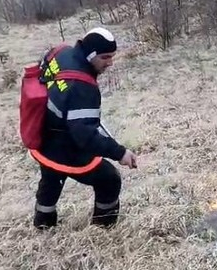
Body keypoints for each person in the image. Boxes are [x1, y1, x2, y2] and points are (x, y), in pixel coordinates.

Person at [30, 27, 138, 229]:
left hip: (42, 134)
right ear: (90, 54)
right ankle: (103, 229)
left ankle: (43, 225)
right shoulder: (82, 87)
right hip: (62, 144)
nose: (110, 63)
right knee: (109, 179)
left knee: (51, 177)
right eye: (105, 57)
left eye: (112, 57)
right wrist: (120, 153)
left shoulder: (62, 53)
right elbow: (86, 136)